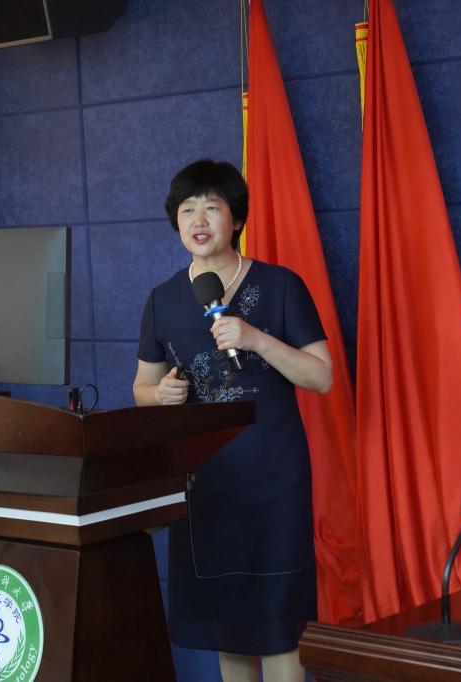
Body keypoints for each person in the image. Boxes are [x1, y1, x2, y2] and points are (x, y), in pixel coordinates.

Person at [133, 159, 332, 682]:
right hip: (207, 484)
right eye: (187, 209)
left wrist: (256, 339)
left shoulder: (280, 285)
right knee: (228, 625)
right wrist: (161, 393)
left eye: (212, 207)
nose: (198, 220)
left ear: (236, 218)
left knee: (279, 623)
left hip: (274, 480)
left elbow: (322, 376)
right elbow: (141, 389)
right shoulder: (162, 300)